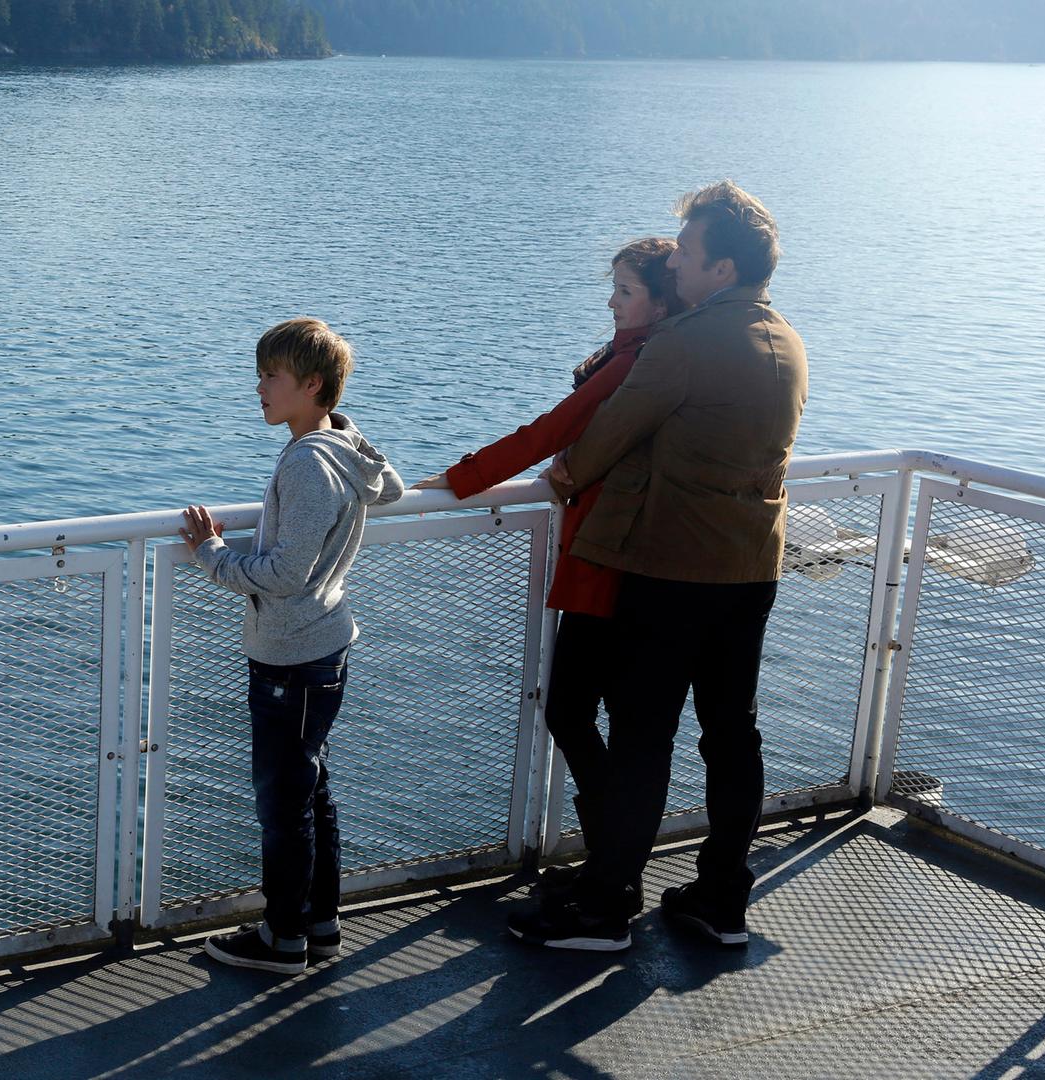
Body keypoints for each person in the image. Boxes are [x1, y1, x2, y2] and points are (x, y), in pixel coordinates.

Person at [507, 181, 807, 952]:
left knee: (644, 739)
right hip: (752, 570)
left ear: (723, 269)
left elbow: (602, 440)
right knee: (731, 734)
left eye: (688, 253)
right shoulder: (786, 341)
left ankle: (606, 908)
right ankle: (721, 899)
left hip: (672, 573)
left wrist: (568, 470)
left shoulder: (684, 344)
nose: (674, 264)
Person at [413, 238, 684, 906]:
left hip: (610, 563)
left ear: (661, 302)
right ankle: (610, 866)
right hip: (614, 557)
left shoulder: (638, 362)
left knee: (573, 710)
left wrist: (458, 479)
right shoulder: (638, 354)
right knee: (595, 717)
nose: (611, 301)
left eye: (625, 291)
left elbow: (550, 430)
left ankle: (614, 872)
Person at [178, 317, 403, 975]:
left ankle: (282, 939)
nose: (259, 389)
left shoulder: (308, 462)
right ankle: (319, 926)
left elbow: (285, 573)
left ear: (311, 385)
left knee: (283, 804)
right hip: (324, 645)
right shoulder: (337, 447)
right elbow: (390, 488)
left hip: (292, 656)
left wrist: (212, 553)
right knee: (311, 790)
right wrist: (341, 425)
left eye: (271, 377)